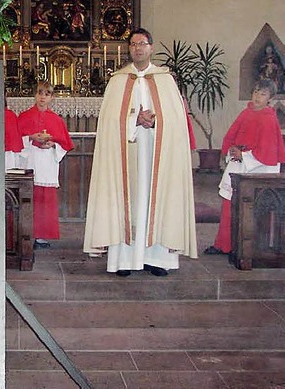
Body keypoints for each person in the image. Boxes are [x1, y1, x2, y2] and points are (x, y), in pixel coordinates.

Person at [83, 27, 198, 277]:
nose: (138, 48)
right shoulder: (118, 80)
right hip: (127, 151)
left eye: (142, 43)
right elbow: (108, 122)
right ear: (129, 49)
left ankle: (157, 259)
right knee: (128, 201)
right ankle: (123, 260)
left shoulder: (166, 80)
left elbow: (178, 123)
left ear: (151, 47)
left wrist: (156, 122)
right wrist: (135, 119)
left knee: (156, 200)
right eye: (133, 44)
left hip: (158, 154)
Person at [204, 79, 285, 255]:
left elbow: (267, 151)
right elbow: (232, 135)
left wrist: (245, 156)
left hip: (257, 170)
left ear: (269, 98)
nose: (257, 96)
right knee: (228, 205)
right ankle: (223, 244)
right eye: (256, 92)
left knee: (251, 209)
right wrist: (232, 150)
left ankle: (245, 248)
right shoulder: (246, 113)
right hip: (239, 165)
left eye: (262, 94)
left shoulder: (269, 118)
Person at [17, 81, 74, 248]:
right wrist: (30, 138)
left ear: (52, 98)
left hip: (48, 163)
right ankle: (27, 234)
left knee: (46, 200)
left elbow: (65, 143)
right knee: (29, 197)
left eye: (47, 94)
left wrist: (53, 145)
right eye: (40, 93)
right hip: (30, 159)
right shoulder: (24, 116)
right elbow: (16, 140)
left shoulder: (56, 119)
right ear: (35, 95)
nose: (42, 97)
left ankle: (42, 236)